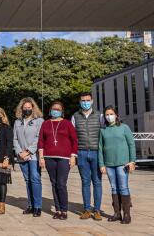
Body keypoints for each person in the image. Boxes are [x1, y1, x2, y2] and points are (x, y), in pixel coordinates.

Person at [38, 101, 78, 220]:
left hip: (64, 158)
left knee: (61, 184)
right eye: (53, 108)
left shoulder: (67, 124)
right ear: (50, 111)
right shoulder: (45, 124)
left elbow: (74, 140)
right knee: (54, 183)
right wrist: (41, 157)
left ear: (62, 111)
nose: (55, 110)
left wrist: (73, 156)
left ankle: (64, 210)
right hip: (49, 157)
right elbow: (41, 141)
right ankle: (58, 209)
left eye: (58, 109)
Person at [98, 106, 136, 224]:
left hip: (123, 164)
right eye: (107, 115)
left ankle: (127, 214)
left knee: (123, 187)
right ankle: (116, 213)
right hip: (109, 164)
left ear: (116, 115)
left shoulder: (124, 128)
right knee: (114, 187)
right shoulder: (103, 130)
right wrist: (101, 164)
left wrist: (132, 161)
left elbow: (131, 144)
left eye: (111, 114)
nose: (109, 116)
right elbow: (100, 148)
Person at [71, 91, 104, 221]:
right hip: (82, 152)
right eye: (83, 100)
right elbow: (72, 137)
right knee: (85, 182)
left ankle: (97, 210)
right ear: (80, 102)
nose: (85, 102)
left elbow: (104, 134)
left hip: (96, 152)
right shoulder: (75, 117)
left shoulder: (100, 116)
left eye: (87, 100)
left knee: (97, 182)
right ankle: (86, 209)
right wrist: (73, 154)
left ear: (92, 101)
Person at [13, 97, 44, 217]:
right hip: (21, 156)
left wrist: (29, 151)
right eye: (24, 108)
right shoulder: (17, 122)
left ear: (33, 108)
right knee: (27, 181)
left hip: (33, 156)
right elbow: (15, 138)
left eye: (29, 108)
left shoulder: (39, 121)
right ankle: (30, 205)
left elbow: (39, 138)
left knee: (35, 179)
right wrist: (20, 152)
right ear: (21, 109)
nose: (27, 109)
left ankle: (37, 206)